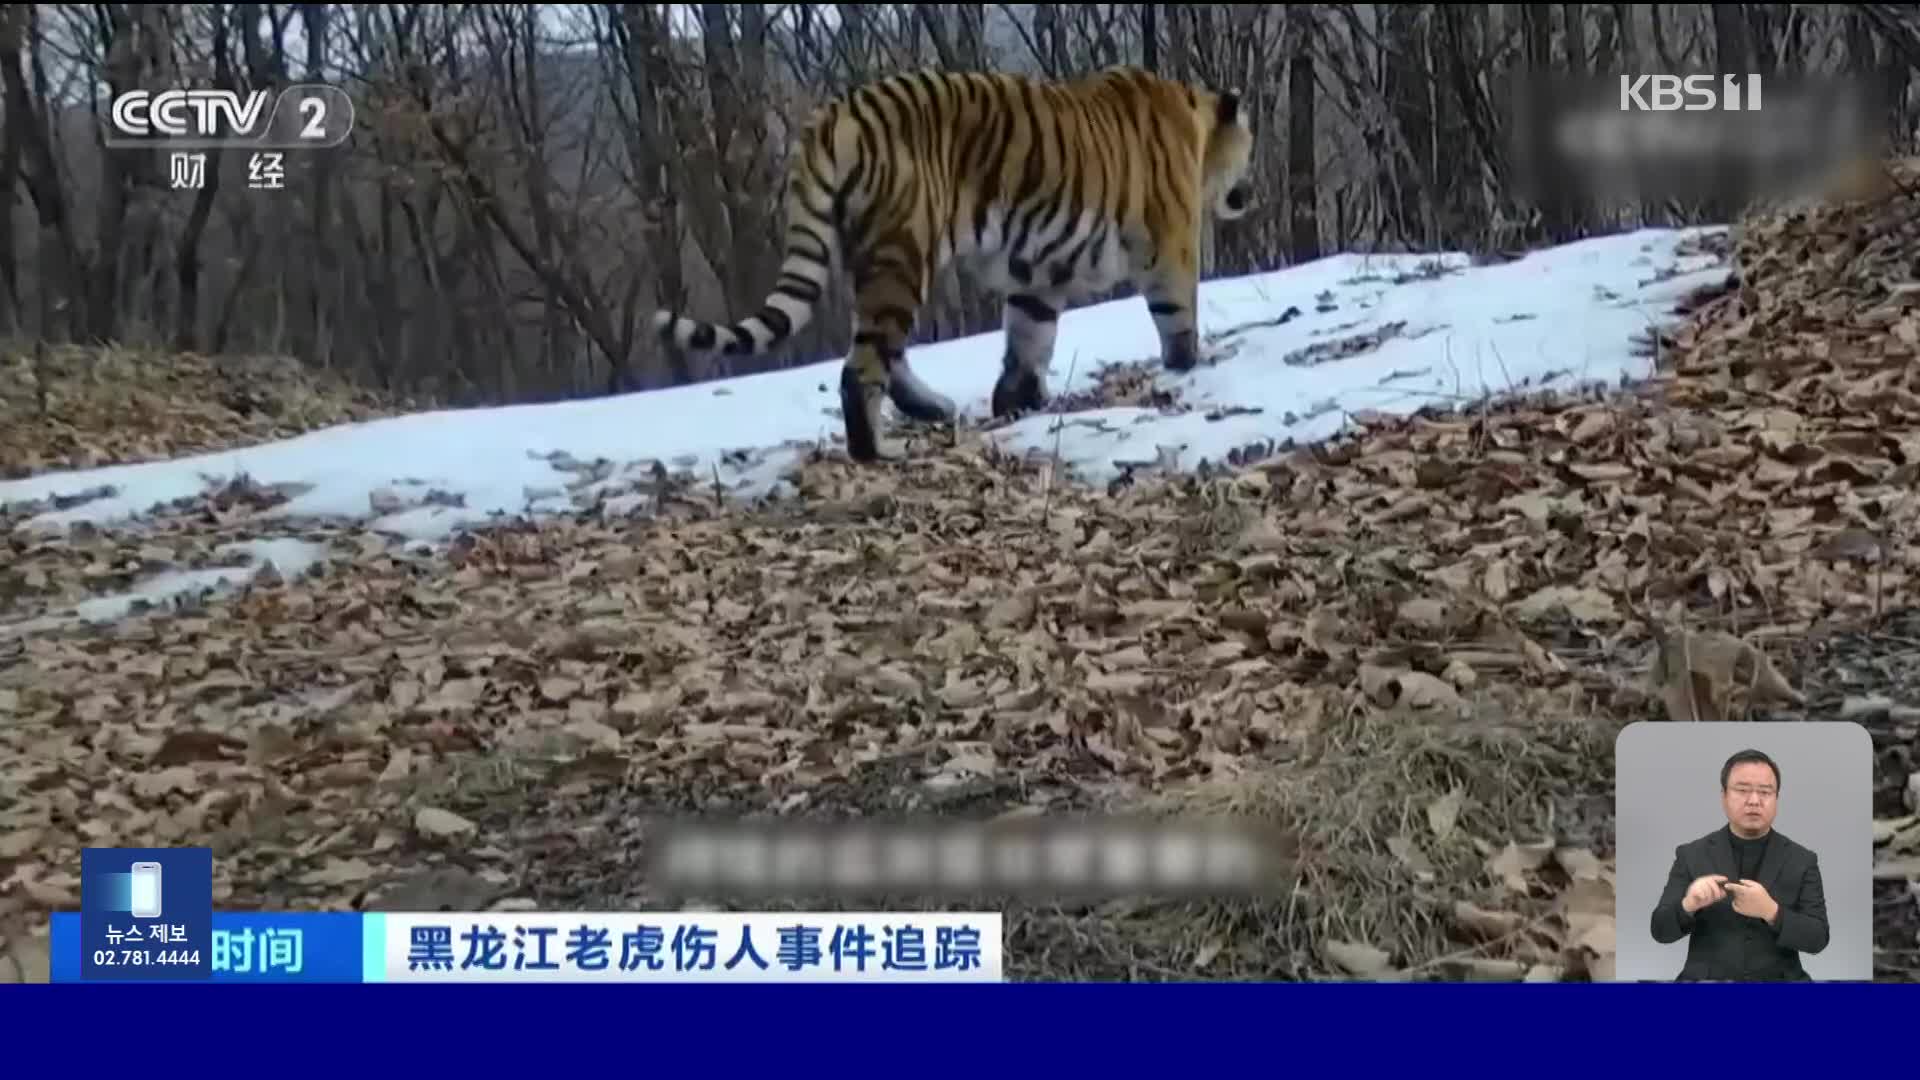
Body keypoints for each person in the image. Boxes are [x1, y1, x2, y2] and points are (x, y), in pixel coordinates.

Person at [1648, 748, 1830, 980]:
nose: (1754, 800)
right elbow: (1660, 931)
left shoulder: (1802, 859)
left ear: (1777, 799)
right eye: (1742, 790)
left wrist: (1771, 912)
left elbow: (1818, 938)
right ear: (1723, 796)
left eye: (1765, 792)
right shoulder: (1691, 854)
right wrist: (1689, 904)